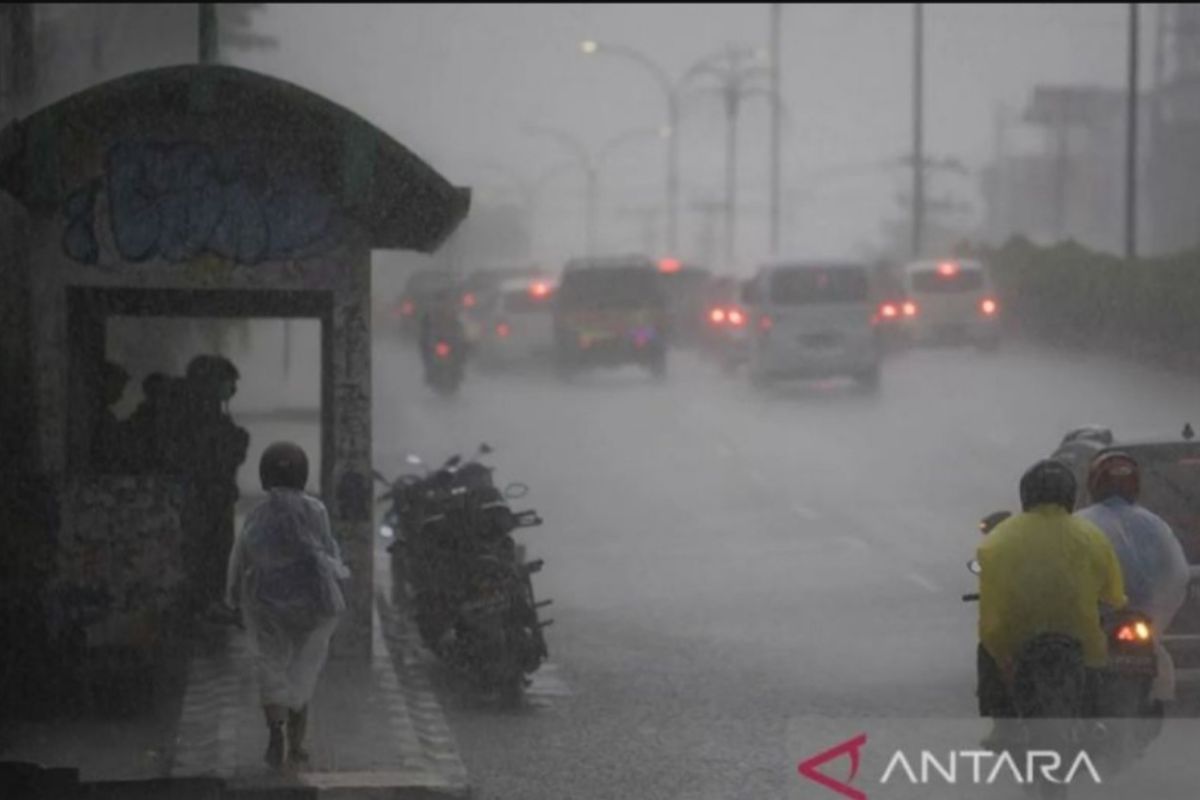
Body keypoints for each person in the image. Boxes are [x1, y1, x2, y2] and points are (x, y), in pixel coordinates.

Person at [976, 459, 1127, 746]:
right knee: (1099, 667)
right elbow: (1113, 594)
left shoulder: (998, 539)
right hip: (1081, 637)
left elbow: (991, 605)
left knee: (987, 651)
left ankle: (1002, 726)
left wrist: (1000, 648)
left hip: (1017, 638)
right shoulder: (1091, 536)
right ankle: (1095, 721)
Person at [224, 442, 349, 769]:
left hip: (266, 604)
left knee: (271, 665)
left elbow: (241, 557)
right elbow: (327, 552)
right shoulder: (315, 510)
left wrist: (234, 598)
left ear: (265, 476)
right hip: (311, 605)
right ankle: (297, 745)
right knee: (302, 672)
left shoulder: (258, 513)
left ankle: (275, 730)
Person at [1076, 451, 1190, 704]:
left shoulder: (1078, 524)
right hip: (1140, 623)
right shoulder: (1155, 525)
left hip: (1093, 620)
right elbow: (1177, 576)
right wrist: (1155, 617)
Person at [180, 356, 250, 612]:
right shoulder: (198, 415)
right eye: (228, 382)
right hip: (205, 499)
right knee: (208, 552)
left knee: (216, 552)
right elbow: (212, 455)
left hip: (215, 497)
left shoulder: (210, 414)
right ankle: (206, 602)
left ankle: (210, 601)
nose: (233, 389)